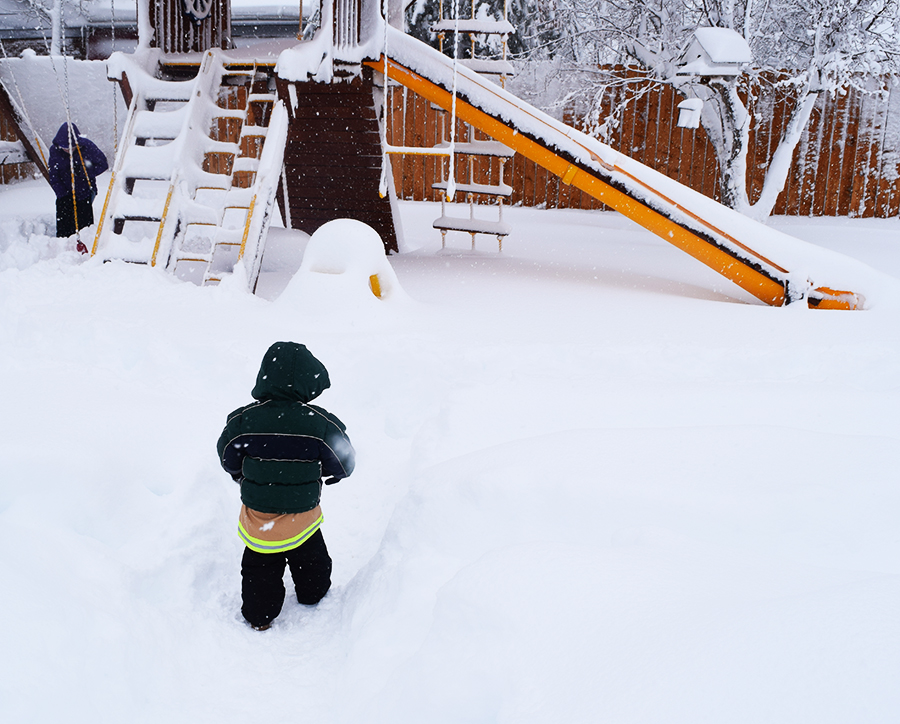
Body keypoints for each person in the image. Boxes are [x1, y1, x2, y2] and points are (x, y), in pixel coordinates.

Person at [216, 342, 356, 631]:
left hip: (259, 521)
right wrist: (335, 473)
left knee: (259, 569)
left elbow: (227, 454)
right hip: (302, 519)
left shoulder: (244, 421)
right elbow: (344, 458)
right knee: (311, 561)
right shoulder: (318, 423)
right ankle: (312, 593)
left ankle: (259, 616)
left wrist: (240, 475)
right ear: (306, 383)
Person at [47, 123, 108, 248]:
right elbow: (54, 176)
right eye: (65, 148)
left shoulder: (87, 146)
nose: (69, 150)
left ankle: (86, 245)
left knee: (84, 224)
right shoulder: (54, 151)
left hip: (85, 191)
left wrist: (84, 171)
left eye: (72, 147)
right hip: (64, 192)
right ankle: (63, 247)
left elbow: (103, 164)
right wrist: (62, 194)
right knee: (65, 222)